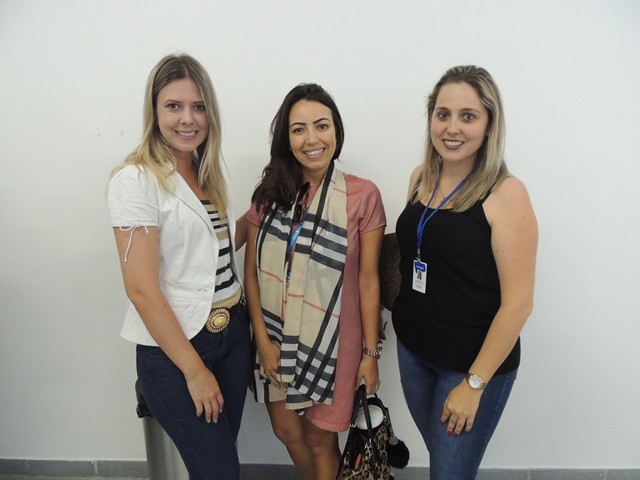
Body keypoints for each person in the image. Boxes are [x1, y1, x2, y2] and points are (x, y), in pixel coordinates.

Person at [107, 54, 251, 480]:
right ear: (154, 111)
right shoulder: (135, 180)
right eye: (174, 106)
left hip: (232, 335)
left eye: (199, 107)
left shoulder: (206, 171)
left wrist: (261, 209)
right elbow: (141, 290)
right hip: (178, 351)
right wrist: (194, 370)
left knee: (218, 464)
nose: (188, 119)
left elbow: (210, 253)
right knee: (220, 472)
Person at [392, 66, 538, 480]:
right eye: (443, 114)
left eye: (468, 116)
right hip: (413, 351)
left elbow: (518, 304)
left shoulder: (506, 194)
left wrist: (474, 385)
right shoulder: (420, 178)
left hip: (469, 365)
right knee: (442, 461)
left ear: (489, 125)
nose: (452, 128)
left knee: (450, 473)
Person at [244, 83, 386, 480]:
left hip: (336, 343)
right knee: (287, 430)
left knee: (321, 440)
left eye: (321, 126)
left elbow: (369, 281)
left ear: (336, 130)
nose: (312, 139)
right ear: (286, 139)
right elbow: (251, 274)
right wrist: (264, 343)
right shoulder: (270, 194)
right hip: (275, 336)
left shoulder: (362, 195)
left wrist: (370, 355)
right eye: (299, 129)